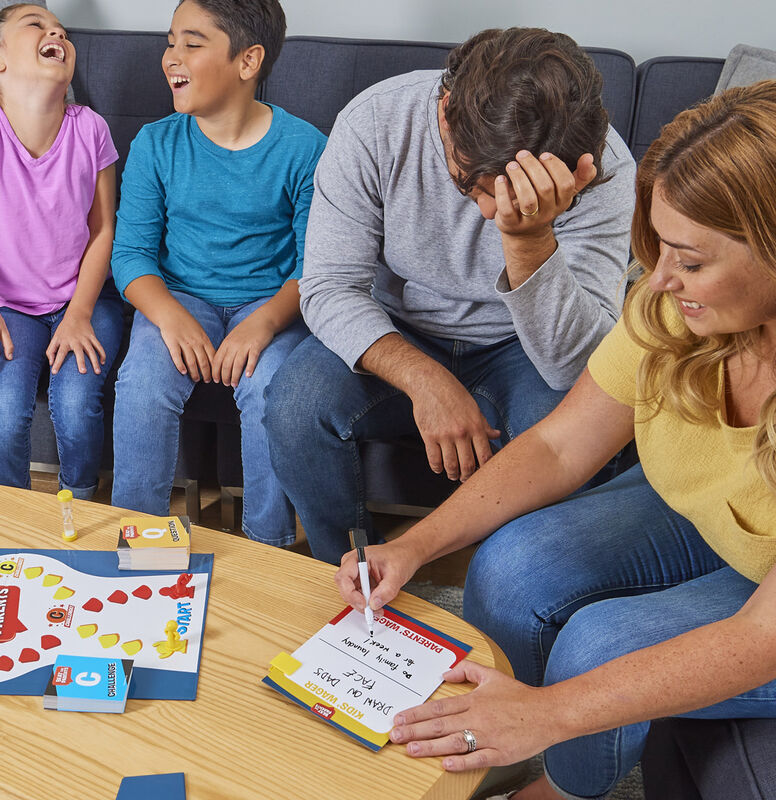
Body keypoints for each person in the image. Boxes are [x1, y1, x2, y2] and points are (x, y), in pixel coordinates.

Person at [335, 80, 776, 800]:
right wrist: (414, 546)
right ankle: (512, 746)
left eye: (691, 262)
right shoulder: (675, 311)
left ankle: (565, 788)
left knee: (598, 646)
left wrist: (551, 714)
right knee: (513, 566)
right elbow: (561, 446)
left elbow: (763, 637)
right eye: (660, 250)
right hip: (724, 518)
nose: (659, 282)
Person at [264, 27, 636, 565]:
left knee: (583, 439)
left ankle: (510, 575)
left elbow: (575, 368)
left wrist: (530, 242)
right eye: (471, 184)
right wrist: (426, 379)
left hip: (524, 350)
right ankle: (350, 575)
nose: (489, 212)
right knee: (296, 404)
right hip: (400, 327)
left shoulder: (599, 168)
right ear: (445, 112)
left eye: (508, 193)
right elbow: (328, 286)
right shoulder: (375, 122)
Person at [110, 0, 326, 545]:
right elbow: (131, 255)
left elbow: (316, 268)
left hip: (272, 304)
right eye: (170, 42)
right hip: (180, 298)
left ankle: (268, 546)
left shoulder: (305, 149)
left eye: (192, 43)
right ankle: (136, 543)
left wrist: (265, 322)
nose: (171, 57)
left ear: (248, 61)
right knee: (142, 383)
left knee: (270, 389)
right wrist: (169, 316)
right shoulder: (156, 143)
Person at [0, 4, 123, 498]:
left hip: (85, 300)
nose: (56, 32)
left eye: (60, 29)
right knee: (3, 409)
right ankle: (14, 512)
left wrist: (79, 313)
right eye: (36, 25)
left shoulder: (91, 129)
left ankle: (79, 502)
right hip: (6, 305)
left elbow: (103, 229)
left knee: (77, 406)